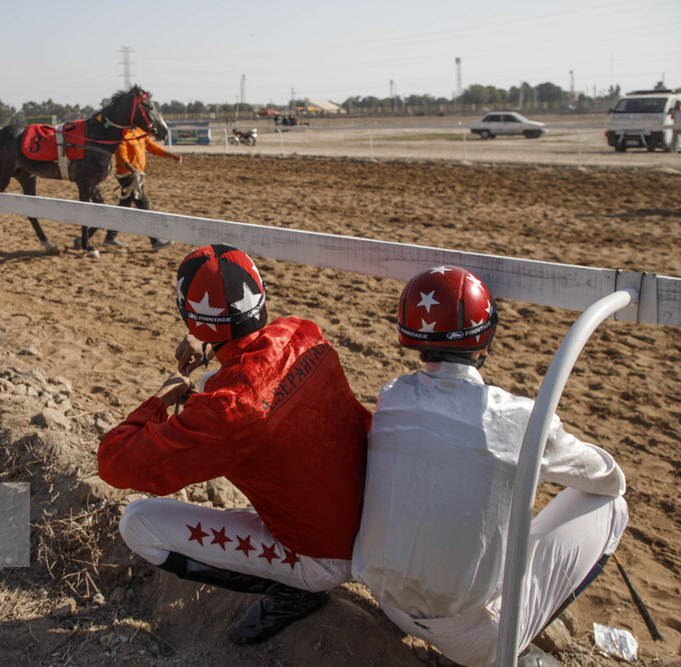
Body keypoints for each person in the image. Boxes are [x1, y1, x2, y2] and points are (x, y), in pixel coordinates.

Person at [351, 265, 628, 667]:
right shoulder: (520, 418)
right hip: (474, 637)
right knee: (613, 507)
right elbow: (606, 479)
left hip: (388, 604)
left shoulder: (392, 394)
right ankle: (513, 647)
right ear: (485, 335)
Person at [98, 244, 371, 645]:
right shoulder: (303, 331)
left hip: (325, 555)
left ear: (192, 317)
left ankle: (295, 593)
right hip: (369, 515)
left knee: (137, 523)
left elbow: (114, 462)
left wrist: (162, 398)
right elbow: (254, 377)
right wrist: (208, 343)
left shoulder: (225, 413)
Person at [102, 126, 181, 251]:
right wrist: (132, 170)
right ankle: (155, 241)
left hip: (136, 176)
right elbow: (122, 157)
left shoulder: (140, 132)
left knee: (124, 207)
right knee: (144, 206)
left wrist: (169, 155)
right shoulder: (123, 136)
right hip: (129, 177)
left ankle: (110, 237)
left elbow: (152, 147)